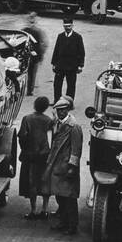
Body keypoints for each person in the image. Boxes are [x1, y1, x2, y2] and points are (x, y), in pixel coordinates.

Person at [43, 96, 83, 234]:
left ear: (68, 110)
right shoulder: (58, 124)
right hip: (57, 166)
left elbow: (76, 149)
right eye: (58, 110)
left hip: (66, 168)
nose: (60, 113)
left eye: (63, 110)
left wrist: (72, 167)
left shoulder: (74, 127)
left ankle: (72, 226)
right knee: (60, 197)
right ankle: (63, 222)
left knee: (69, 199)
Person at [18, 96, 54, 219]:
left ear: (35, 105)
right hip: (44, 155)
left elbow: (22, 136)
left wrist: (25, 149)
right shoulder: (49, 120)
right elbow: (51, 139)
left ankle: (33, 210)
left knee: (31, 183)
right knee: (44, 181)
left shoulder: (27, 119)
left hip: (30, 156)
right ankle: (44, 209)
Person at [50, 15, 85, 103]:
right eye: (65, 26)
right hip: (60, 65)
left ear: (72, 26)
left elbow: (81, 52)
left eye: (69, 26)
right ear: (63, 26)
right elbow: (56, 50)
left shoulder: (78, 37)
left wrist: (80, 65)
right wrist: (54, 63)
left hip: (72, 66)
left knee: (71, 85)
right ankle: (57, 101)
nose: (67, 28)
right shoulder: (60, 36)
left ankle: (69, 103)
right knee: (57, 84)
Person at [21, 12, 47, 96]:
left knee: (28, 73)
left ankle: (28, 89)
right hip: (30, 56)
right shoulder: (38, 31)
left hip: (27, 56)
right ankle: (29, 90)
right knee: (31, 73)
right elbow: (43, 44)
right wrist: (41, 56)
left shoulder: (24, 31)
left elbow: (42, 45)